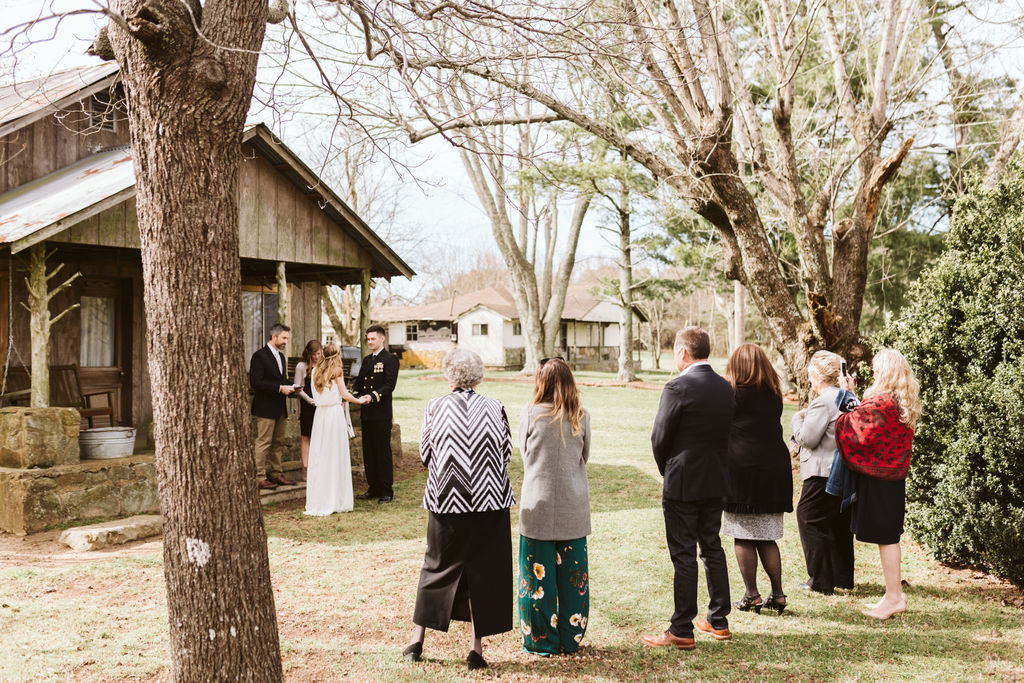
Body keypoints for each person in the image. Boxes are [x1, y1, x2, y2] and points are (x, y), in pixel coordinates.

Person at [404, 348, 515, 671]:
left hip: (445, 501)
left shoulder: (435, 407)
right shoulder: (495, 407)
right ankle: (476, 648)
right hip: (489, 501)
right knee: (485, 570)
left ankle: (416, 639)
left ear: (448, 375)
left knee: (436, 566)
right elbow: (506, 451)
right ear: (478, 375)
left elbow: (425, 454)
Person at [643, 327, 735, 651]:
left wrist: (666, 470)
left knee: (683, 554)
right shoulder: (726, 388)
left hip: (683, 481)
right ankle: (718, 619)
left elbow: (659, 438)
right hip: (716, 480)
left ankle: (681, 628)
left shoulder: (677, 386)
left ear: (683, 352)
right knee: (712, 546)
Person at [836, 348, 921, 619]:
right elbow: (867, 414)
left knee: (887, 539)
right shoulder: (898, 401)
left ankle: (895, 597)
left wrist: (845, 396)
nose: (872, 372)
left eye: (876, 369)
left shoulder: (882, 403)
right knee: (889, 538)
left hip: (881, 482)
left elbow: (853, 426)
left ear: (886, 372)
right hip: (893, 480)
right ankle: (891, 593)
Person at [518, 357, 592, 656]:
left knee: (536, 578)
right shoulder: (581, 415)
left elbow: (524, 454)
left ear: (541, 381)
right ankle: (570, 638)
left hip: (537, 502)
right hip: (573, 503)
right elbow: (584, 456)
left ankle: (540, 639)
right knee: (574, 580)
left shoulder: (530, 413)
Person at [721, 344, 793, 615]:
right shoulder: (774, 393)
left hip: (742, 469)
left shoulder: (732, 392)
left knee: (742, 535)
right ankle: (778, 593)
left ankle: (752, 595)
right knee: (767, 536)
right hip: (774, 468)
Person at [792, 351, 855, 596]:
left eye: (811, 375)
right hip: (844, 470)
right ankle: (842, 576)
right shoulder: (848, 397)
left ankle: (820, 579)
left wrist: (797, 420)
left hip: (822, 470)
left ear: (818, 376)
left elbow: (807, 438)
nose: (809, 380)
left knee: (808, 517)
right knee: (838, 523)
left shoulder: (823, 401)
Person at [304, 344, 367, 516]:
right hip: (333, 414)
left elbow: (316, 397)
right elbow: (345, 394)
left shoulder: (315, 371)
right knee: (335, 454)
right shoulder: (337, 371)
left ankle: (320, 499)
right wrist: (360, 401)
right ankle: (336, 499)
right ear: (337, 355)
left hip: (320, 415)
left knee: (320, 455)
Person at [354, 325, 400, 504]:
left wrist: (373, 396)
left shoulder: (390, 359)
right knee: (369, 452)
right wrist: (349, 394)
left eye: (373, 338)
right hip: (366, 413)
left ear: (382, 338)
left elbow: (389, 385)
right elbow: (359, 383)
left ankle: (386, 490)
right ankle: (373, 487)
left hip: (381, 412)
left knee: (382, 452)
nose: (370, 341)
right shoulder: (367, 360)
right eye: (368, 339)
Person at [249, 323, 296, 490]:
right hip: (265, 408)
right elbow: (256, 382)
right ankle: (259, 477)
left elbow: (281, 380)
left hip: (280, 408)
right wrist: (279, 388)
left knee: (278, 443)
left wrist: (294, 387)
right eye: (283, 338)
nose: (286, 342)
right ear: (274, 337)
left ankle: (276, 474)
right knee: (263, 443)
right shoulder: (259, 356)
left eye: (287, 339)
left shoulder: (281, 357)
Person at [293, 340, 323, 482]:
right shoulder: (301, 366)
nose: (316, 357)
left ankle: (319, 467)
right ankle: (306, 468)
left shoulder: (323, 365)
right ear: (308, 354)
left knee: (320, 436)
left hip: (321, 404)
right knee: (306, 436)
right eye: (313, 354)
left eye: (318, 354)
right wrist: (309, 400)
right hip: (307, 404)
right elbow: (298, 388)